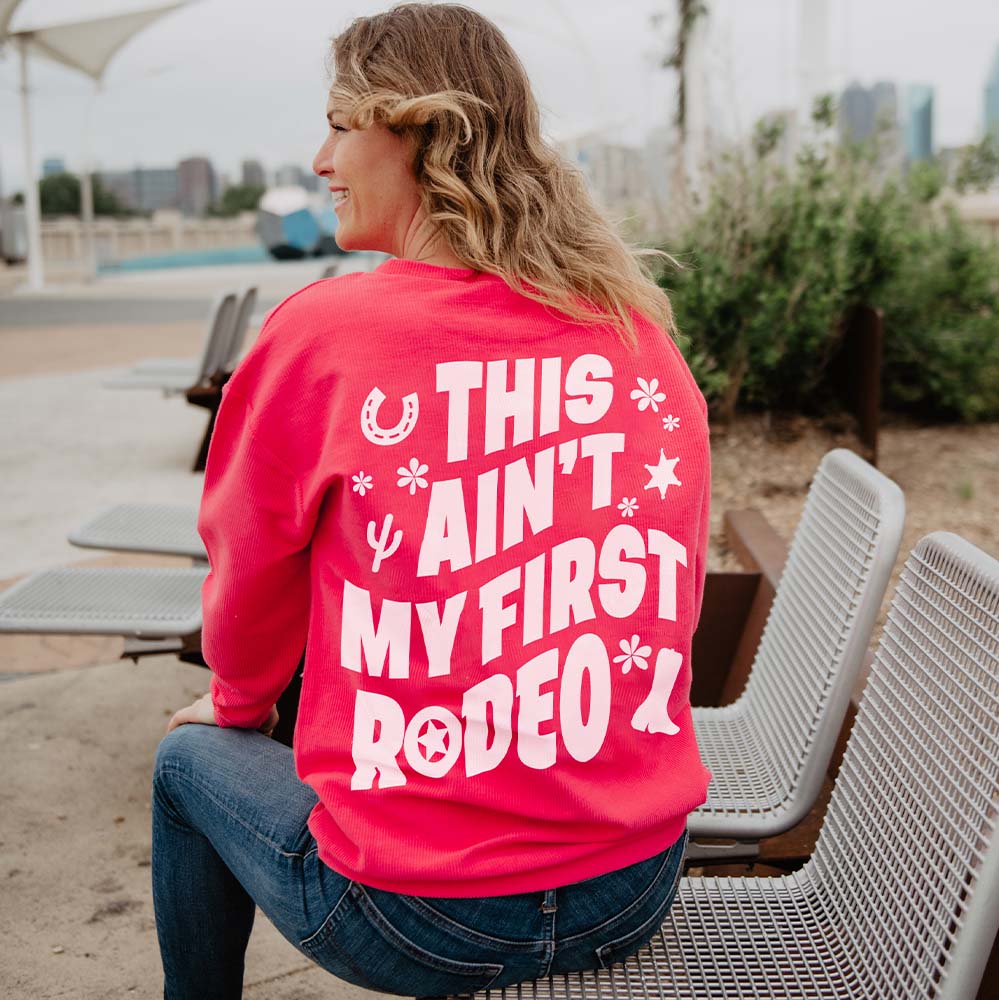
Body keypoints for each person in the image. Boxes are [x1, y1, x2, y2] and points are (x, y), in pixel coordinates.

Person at [151, 4, 712, 997]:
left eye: (338, 122)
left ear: (416, 131)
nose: (321, 157)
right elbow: (657, 596)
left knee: (188, 762)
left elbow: (245, 583)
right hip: (634, 879)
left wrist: (237, 703)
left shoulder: (323, 335)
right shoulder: (636, 336)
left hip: (415, 918)